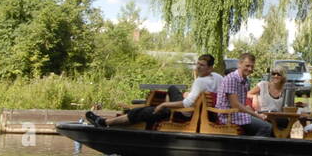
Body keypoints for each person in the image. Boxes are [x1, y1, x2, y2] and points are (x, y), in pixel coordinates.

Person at [85, 54, 221, 129]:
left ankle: (104, 123)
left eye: (202, 65)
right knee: (172, 88)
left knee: (139, 112)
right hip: (204, 112)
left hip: (186, 114)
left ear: (210, 68)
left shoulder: (200, 81)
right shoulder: (218, 78)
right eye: (198, 64)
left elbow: (187, 104)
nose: (198, 67)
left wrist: (164, 105)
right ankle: (165, 113)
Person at [214, 53, 275, 136]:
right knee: (266, 127)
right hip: (228, 115)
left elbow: (243, 105)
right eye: (247, 66)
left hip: (238, 114)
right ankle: (251, 149)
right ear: (239, 64)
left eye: (252, 66)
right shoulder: (231, 79)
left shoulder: (245, 80)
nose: (250, 69)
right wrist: (256, 115)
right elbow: (235, 105)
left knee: (271, 124)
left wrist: (258, 114)